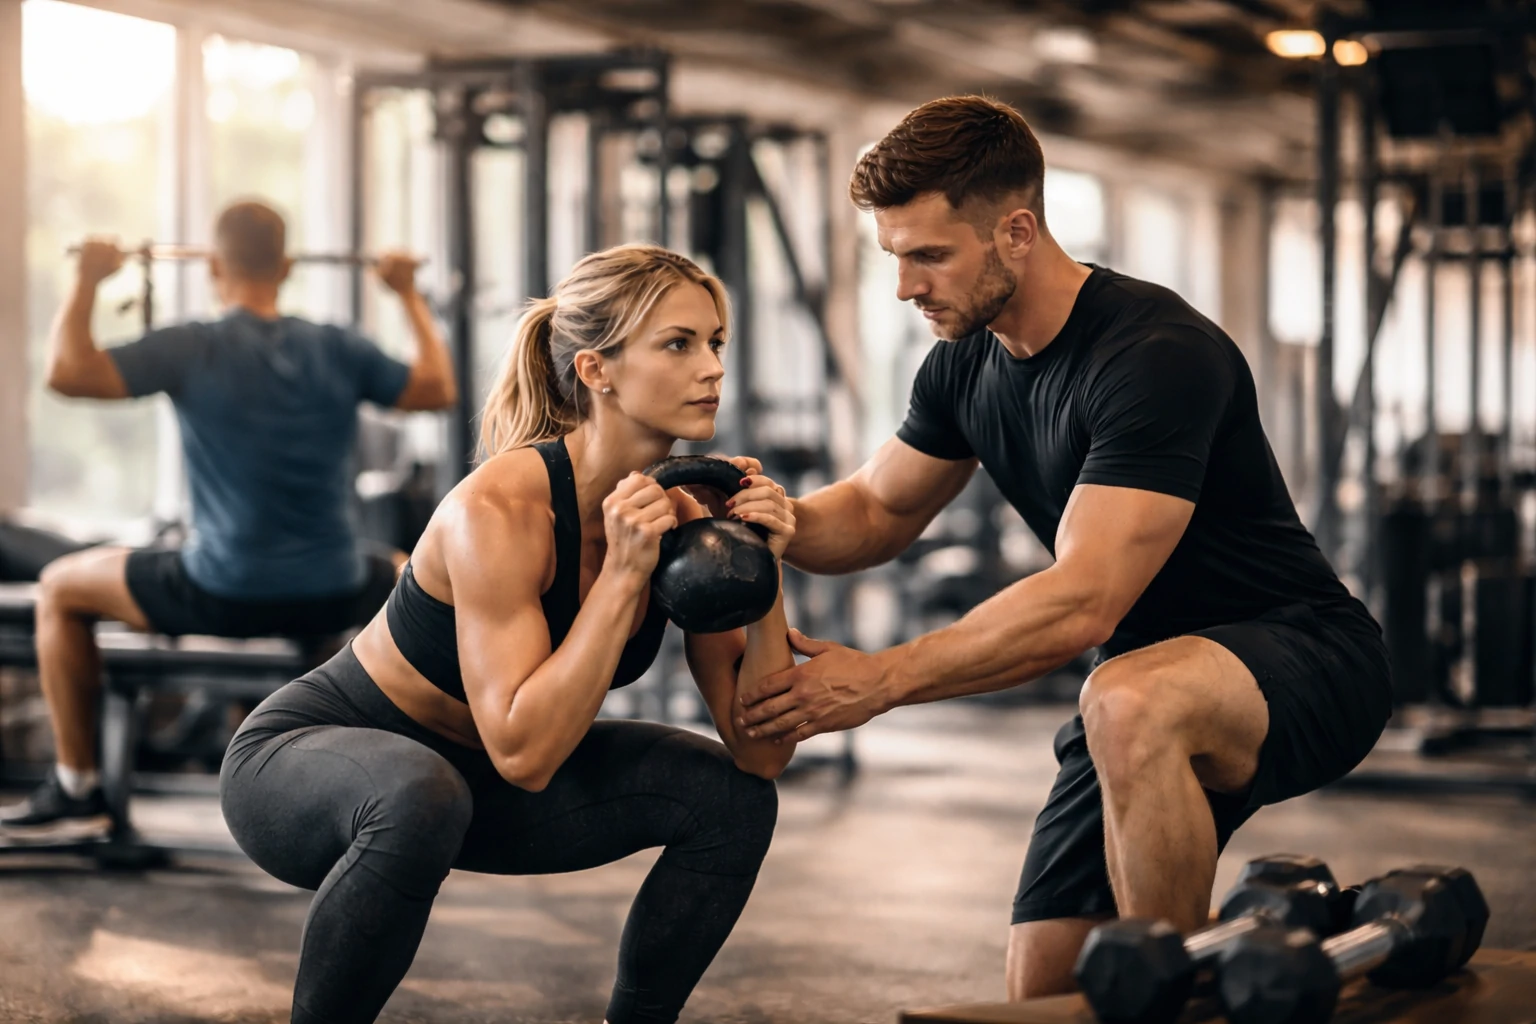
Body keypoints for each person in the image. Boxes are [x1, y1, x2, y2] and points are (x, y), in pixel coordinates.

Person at [734, 96, 1392, 998]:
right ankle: (1187, 962)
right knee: (1044, 989)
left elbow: (1086, 601)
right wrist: (766, 517)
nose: (905, 287)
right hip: (1137, 693)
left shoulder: (1155, 353)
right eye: (894, 257)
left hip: (1305, 653)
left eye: (930, 256)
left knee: (1125, 700)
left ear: (1016, 232)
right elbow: (877, 508)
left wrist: (882, 679)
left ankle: (1174, 997)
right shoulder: (965, 361)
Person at [219, 243, 797, 1024]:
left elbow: (761, 751)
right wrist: (623, 576)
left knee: (732, 800)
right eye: (678, 344)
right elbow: (525, 753)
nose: (713, 368)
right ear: (596, 370)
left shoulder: (683, 517)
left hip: (473, 785)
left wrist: (760, 571)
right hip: (307, 766)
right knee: (420, 793)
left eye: (716, 342)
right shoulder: (499, 510)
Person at [1, 199, 457, 833]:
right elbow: (438, 388)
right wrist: (406, 294)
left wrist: (86, 281)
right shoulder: (337, 346)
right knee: (409, 575)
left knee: (59, 588)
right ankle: (443, 762)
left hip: (222, 591)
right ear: (287, 267)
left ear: (215, 266)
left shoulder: (193, 345)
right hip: (336, 591)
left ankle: (77, 784)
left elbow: (68, 372)